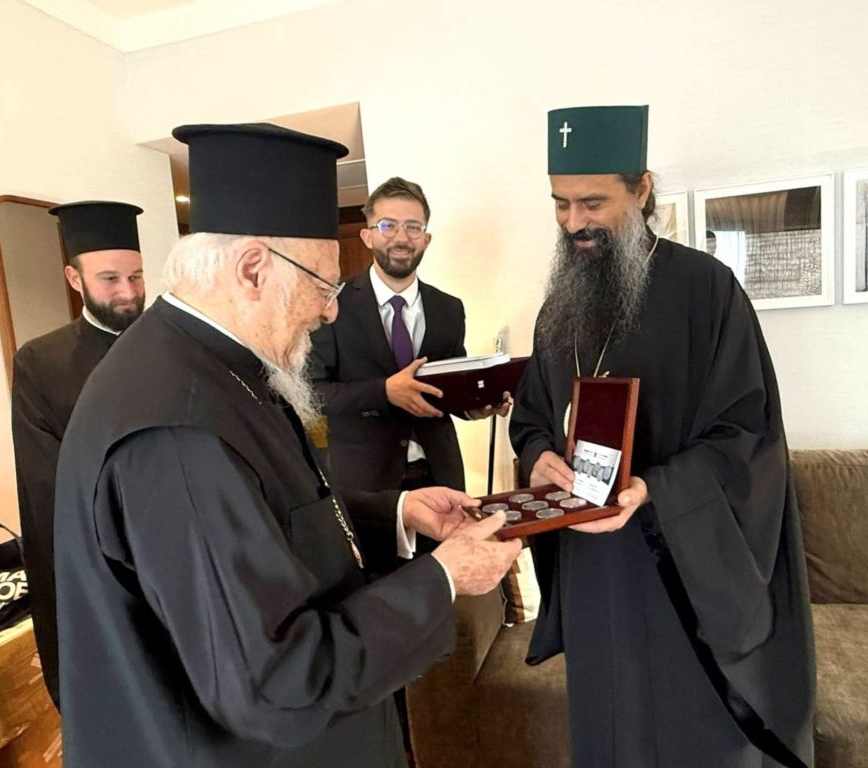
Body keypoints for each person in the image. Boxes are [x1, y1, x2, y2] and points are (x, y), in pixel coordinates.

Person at [53, 123, 521, 768]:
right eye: (324, 287)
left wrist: (397, 513)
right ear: (253, 269)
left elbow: (273, 515)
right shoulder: (177, 429)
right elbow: (275, 684)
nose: (331, 312)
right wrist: (442, 578)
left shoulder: (214, 364)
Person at [510, 105, 816, 767]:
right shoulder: (558, 306)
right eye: (560, 204)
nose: (574, 222)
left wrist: (653, 488)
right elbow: (531, 415)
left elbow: (746, 434)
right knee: (606, 728)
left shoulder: (707, 290)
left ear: (642, 189)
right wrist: (538, 457)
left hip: (677, 562)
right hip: (591, 565)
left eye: (593, 203)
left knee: (685, 735)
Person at [10, 199, 145, 707]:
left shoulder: (173, 345)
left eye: (136, 276)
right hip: (100, 559)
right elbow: (45, 486)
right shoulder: (41, 362)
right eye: (110, 278)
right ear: (75, 278)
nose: (128, 292)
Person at [311, 176, 509, 499]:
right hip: (366, 487)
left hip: (441, 477)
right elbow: (313, 392)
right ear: (367, 236)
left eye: (413, 227)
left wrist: (475, 408)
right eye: (388, 226)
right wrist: (384, 392)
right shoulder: (333, 305)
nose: (401, 238)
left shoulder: (449, 309)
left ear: (426, 239)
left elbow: (451, 389)